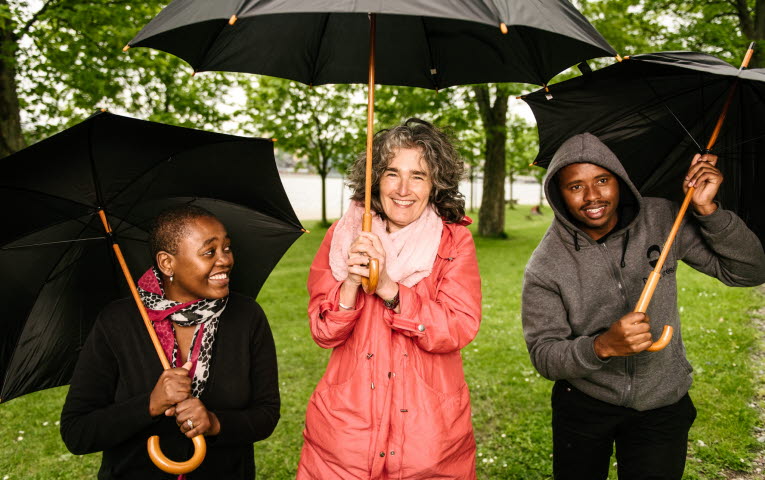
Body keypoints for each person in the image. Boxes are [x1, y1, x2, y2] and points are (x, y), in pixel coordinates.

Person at [522, 133, 765, 480]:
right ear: (558, 194)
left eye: (602, 181)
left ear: (619, 181)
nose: (592, 196)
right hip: (584, 403)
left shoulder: (663, 218)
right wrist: (602, 346)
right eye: (575, 187)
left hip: (662, 402)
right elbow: (544, 355)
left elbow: (750, 271)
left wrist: (708, 211)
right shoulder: (546, 264)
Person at [296, 118, 482, 479]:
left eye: (418, 175)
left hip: (429, 438)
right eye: (392, 173)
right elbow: (324, 332)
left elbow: (458, 326)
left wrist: (390, 290)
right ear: (374, 178)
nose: (403, 189)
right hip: (344, 436)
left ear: (435, 184)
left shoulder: (454, 242)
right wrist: (350, 283)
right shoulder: (344, 235)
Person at [61, 205, 280, 479]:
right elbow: (77, 432)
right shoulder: (118, 322)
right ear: (167, 263)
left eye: (227, 248)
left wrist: (214, 423)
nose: (225, 260)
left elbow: (266, 414)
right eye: (209, 252)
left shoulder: (246, 316)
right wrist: (150, 405)